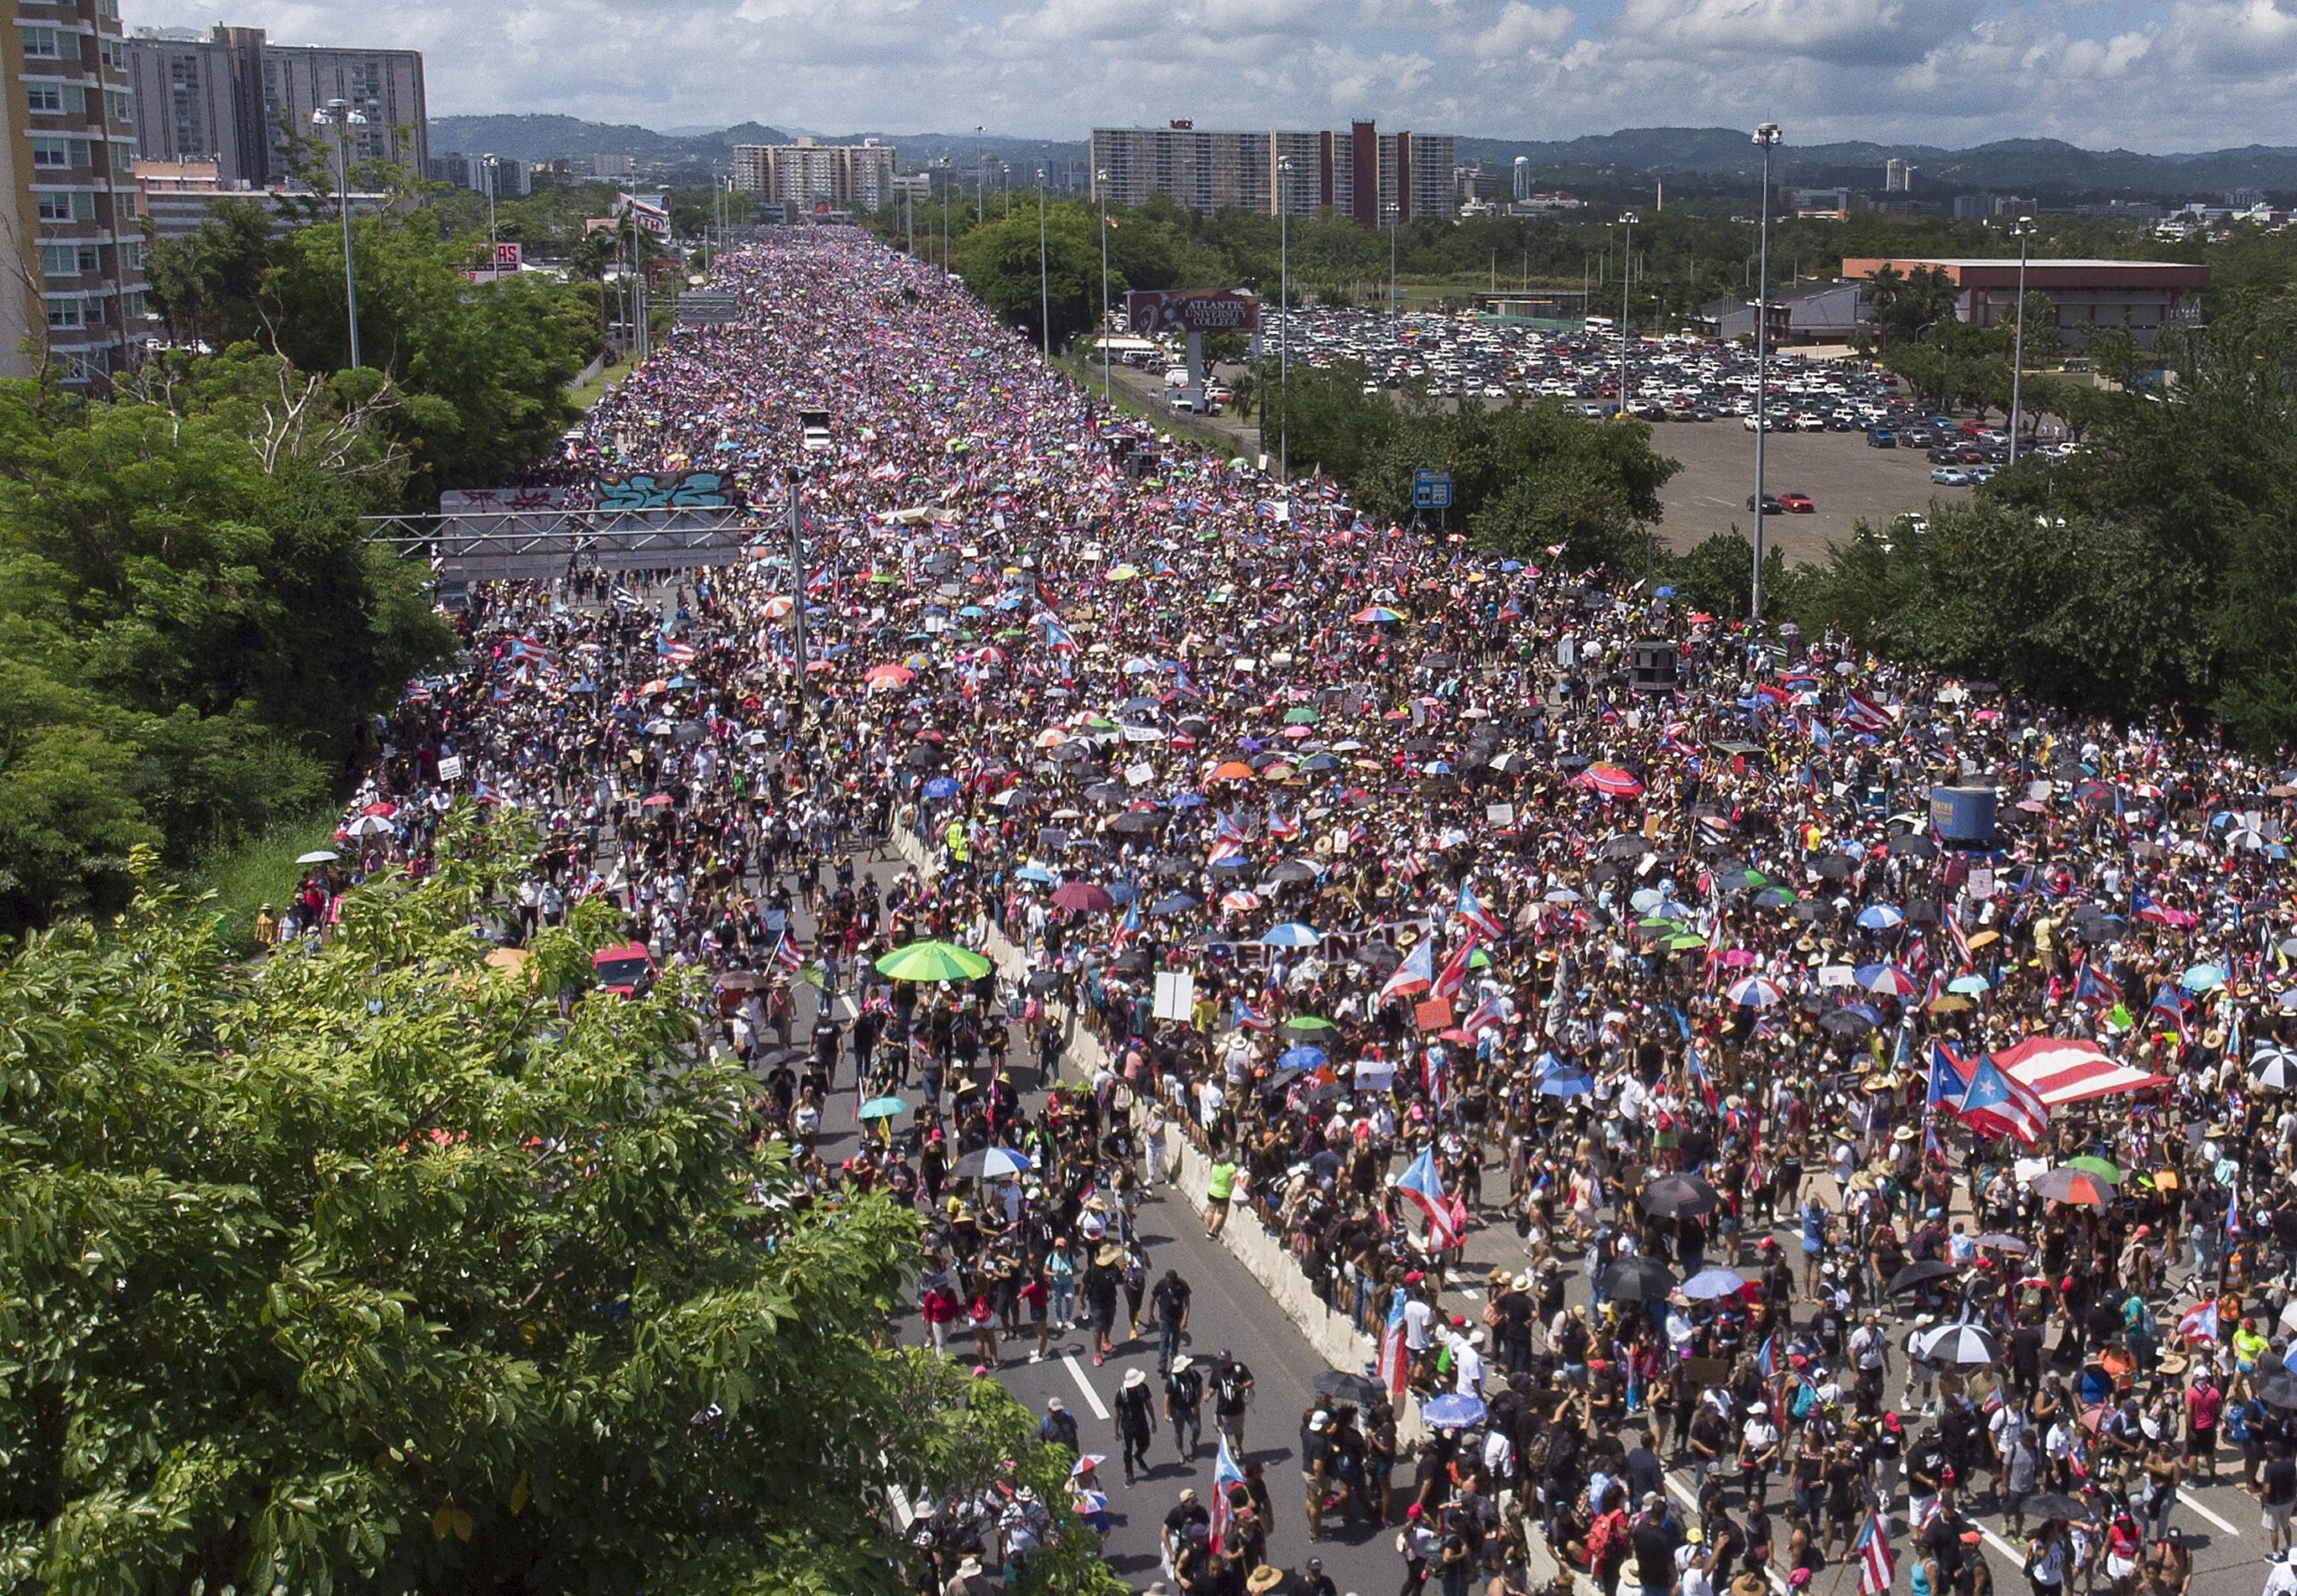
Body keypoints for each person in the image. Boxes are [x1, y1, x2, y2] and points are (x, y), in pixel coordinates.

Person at [1116, 1366, 1160, 1486]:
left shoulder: (1143, 1388)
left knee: (1145, 1443)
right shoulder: (1122, 1393)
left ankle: (1138, 1455)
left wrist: (1153, 1420)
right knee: (1127, 1450)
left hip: (1141, 1423)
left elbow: (1148, 1404)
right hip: (1127, 1427)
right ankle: (1129, 1473)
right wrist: (1116, 1430)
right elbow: (1117, 1412)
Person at [1212, 1348, 1255, 1454]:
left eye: (1224, 1360)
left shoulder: (1239, 1369)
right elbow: (1212, 1386)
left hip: (1237, 1408)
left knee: (1238, 1432)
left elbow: (1251, 1381)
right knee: (1223, 1432)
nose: (1222, 1363)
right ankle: (1225, 1452)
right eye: (1220, 1361)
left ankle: (1239, 1447)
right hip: (1222, 1409)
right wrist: (1208, 1394)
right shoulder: (1217, 1371)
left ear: (1230, 1359)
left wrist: (1241, 1387)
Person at [1152, 1267, 1193, 1374]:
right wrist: (1150, 1313)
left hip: (1177, 1318)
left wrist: (1185, 1319)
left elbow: (1187, 1303)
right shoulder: (1161, 1284)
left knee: (1175, 1340)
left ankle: (1174, 1358)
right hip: (1164, 1317)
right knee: (1164, 1340)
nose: (1171, 1284)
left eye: (1172, 1282)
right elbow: (1153, 1296)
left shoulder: (1182, 1286)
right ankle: (1162, 1364)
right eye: (1169, 1282)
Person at [1167, 1353, 1206, 1460]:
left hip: (1191, 1407)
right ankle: (1180, 1451)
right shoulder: (1173, 1380)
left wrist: (1197, 1403)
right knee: (1179, 1430)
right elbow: (1167, 1397)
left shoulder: (1193, 1375)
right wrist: (1166, 1413)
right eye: (1186, 1367)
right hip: (1177, 1409)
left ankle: (1193, 1442)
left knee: (1196, 1428)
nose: (1188, 1368)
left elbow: (1200, 1387)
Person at [2265, 1438, 2296, 1554]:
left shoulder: (2270, 1468)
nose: (2267, 1453)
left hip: (2274, 1502)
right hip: (2288, 1500)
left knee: (2273, 1528)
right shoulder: (2291, 1465)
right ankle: (2288, 1547)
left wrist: (2263, 1499)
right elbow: (2294, 1482)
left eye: (2269, 1451)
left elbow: (2267, 1488)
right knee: (2286, 1525)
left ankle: (2275, 1553)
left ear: (2273, 1453)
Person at [1207, 1153, 1239, 1241]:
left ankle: (1209, 1227)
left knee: (1211, 1210)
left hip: (1212, 1191)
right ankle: (1211, 1230)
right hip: (1223, 1193)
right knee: (1221, 1213)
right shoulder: (1229, 1166)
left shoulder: (1215, 1167)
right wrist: (1231, 1179)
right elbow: (1236, 1173)